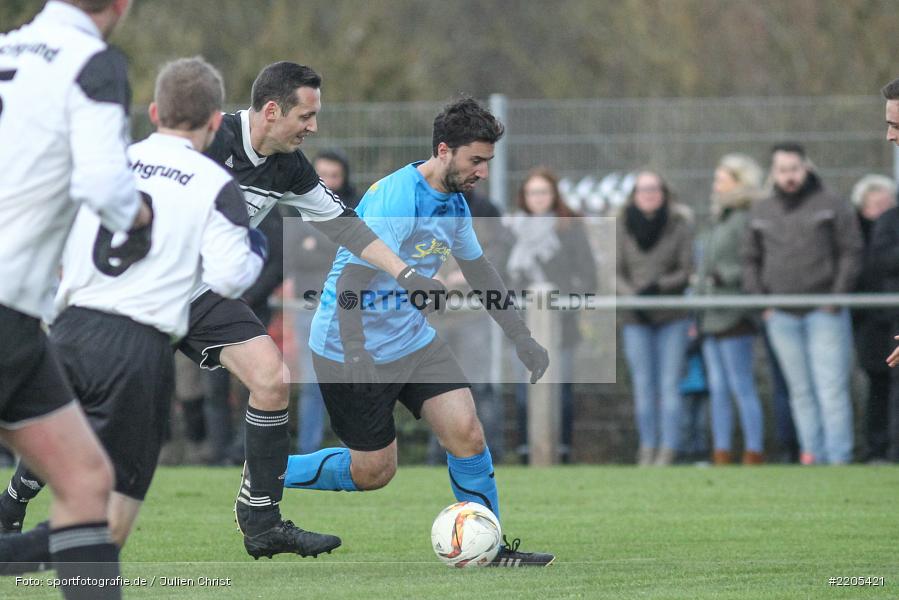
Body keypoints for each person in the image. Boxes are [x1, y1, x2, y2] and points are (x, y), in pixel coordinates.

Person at [0, 55, 265, 573]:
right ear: (216, 122)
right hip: (136, 349)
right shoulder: (214, 183)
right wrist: (254, 243)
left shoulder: (106, 165)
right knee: (108, 525)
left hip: (67, 331)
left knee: (75, 484)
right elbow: (232, 278)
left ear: (154, 112)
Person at [178, 61, 446, 560]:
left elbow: (348, 227)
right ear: (272, 111)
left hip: (203, 295)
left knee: (272, 380)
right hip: (143, 289)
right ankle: (22, 502)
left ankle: (262, 524)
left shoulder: (289, 167)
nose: (314, 127)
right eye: (306, 115)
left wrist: (406, 274)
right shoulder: (206, 139)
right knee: (102, 399)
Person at [275, 98, 554, 567]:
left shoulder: (455, 204)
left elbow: (480, 271)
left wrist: (521, 337)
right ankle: (268, 470)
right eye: (476, 160)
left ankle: (489, 548)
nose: (483, 171)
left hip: (411, 340)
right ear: (444, 150)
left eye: (487, 161)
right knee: (374, 471)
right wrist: (356, 351)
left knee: (468, 434)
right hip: (347, 344)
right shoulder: (398, 197)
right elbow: (350, 280)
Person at [0, 1, 149, 596]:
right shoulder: (93, 62)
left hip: (20, 322)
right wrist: (136, 214)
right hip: (7, 303)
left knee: (86, 480)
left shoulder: (7, 48)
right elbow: (102, 183)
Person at [743, 142, 862, 465]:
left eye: (794, 169)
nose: (789, 176)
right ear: (773, 173)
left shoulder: (831, 204)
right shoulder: (761, 210)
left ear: (806, 167)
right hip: (780, 314)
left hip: (825, 312)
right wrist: (763, 304)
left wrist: (836, 297)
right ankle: (813, 456)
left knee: (831, 388)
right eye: (782, 170)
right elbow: (750, 259)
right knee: (800, 391)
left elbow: (850, 251)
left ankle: (839, 460)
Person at [505, 167, 597, 464]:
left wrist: (563, 297)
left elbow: (588, 276)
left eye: (543, 192)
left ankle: (563, 450)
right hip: (522, 327)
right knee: (525, 391)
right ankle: (527, 451)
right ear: (524, 196)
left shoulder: (569, 228)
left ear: (554, 194)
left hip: (562, 325)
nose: (538, 198)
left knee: (561, 390)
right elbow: (502, 274)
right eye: (532, 192)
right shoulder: (512, 229)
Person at [616, 170, 694, 466]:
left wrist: (658, 287)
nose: (649, 194)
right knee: (643, 387)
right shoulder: (622, 226)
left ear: (664, 193)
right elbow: (613, 271)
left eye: (654, 189)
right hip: (635, 319)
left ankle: (668, 449)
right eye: (643, 189)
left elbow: (686, 270)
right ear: (634, 195)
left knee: (670, 385)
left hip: (671, 316)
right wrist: (633, 298)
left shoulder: (679, 225)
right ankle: (647, 447)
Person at [288, 149, 361, 455]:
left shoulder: (355, 211)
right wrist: (331, 245)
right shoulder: (295, 209)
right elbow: (294, 256)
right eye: (322, 176)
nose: (328, 182)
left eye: (334, 176)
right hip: (308, 307)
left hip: (348, 308)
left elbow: (353, 254)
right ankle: (309, 452)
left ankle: (356, 451)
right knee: (312, 384)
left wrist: (315, 244)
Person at [695, 154, 765, 465]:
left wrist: (725, 275)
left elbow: (752, 262)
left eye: (721, 179)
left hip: (735, 314)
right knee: (718, 387)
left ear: (739, 182)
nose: (715, 185)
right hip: (710, 314)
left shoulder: (744, 218)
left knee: (741, 385)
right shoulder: (718, 218)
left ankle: (754, 450)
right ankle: (721, 451)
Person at [850, 174, 897, 463]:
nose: (882, 210)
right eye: (875, 204)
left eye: (886, 203)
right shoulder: (857, 234)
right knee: (878, 384)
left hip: (892, 317)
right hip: (871, 320)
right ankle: (876, 448)